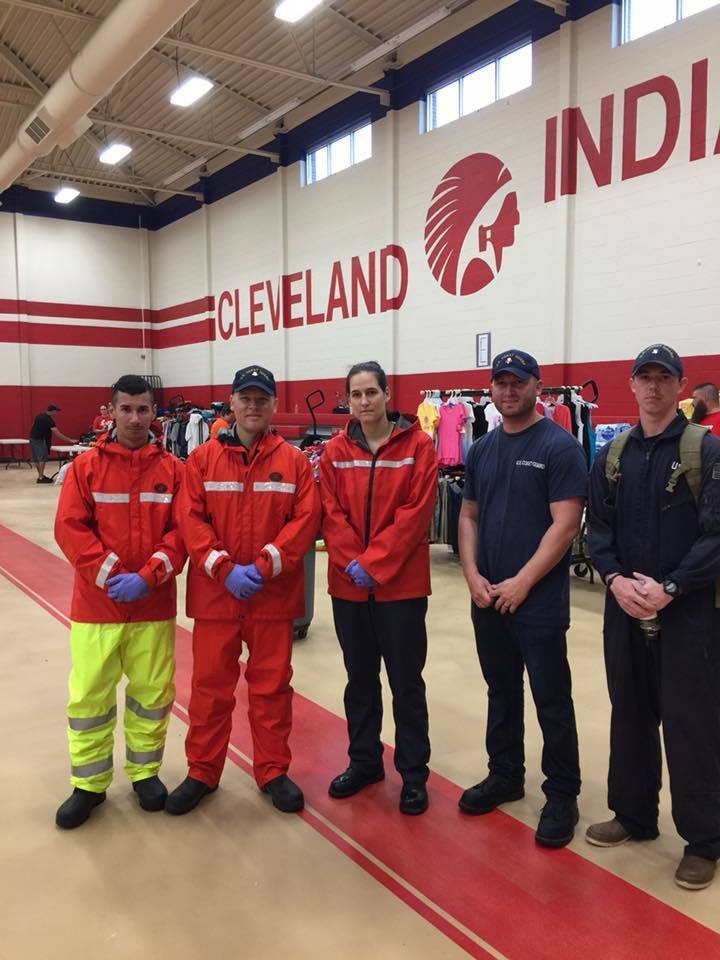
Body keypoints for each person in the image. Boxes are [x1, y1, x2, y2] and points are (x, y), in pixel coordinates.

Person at [586, 344, 720, 891]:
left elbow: (717, 534)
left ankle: (705, 840)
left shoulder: (703, 450)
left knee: (692, 724)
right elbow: (598, 530)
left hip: (688, 612)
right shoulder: (612, 454)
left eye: (665, 378)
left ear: (681, 386)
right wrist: (616, 580)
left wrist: (670, 587)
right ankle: (634, 815)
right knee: (630, 711)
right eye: (646, 378)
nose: (654, 387)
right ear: (633, 385)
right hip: (624, 606)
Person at [167, 364, 320, 816]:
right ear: (231, 403)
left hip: (272, 597)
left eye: (262, 399)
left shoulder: (293, 461)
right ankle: (202, 771)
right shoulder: (201, 459)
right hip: (217, 595)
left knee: (272, 688)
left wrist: (266, 564)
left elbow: (306, 520)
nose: (253, 406)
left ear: (274, 406)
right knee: (211, 688)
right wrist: (222, 567)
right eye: (245, 398)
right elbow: (189, 519)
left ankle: (272, 770)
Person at [458, 350, 587, 848]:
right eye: (501, 383)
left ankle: (562, 795)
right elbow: (467, 515)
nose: (509, 391)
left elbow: (566, 524)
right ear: (491, 389)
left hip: (536, 601)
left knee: (551, 697)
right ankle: (506, 774)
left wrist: (523, 582)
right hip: (487, 596)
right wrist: (472, 574)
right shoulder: (483, 448)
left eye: (518, 383)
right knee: (501, 690)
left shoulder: (558, 446)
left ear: (538, 386)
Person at [53, 375, 186, 829]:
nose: (134, 418)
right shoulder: (86, 467)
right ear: (110, 412)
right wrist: (112, 576)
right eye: (125, 409)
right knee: (90, 696)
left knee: (151, 693)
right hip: (96, 607)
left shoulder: (174, 470)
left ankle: (145, 773)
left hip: (152, 606)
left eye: (143, 409)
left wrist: (149, 577)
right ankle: (89, 784)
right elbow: (70, 528)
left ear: (154, 414)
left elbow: (182, 533)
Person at [319, 361, 437, 815]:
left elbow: (417, 511)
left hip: (401, 590)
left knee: (407, 684)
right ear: (347, 400)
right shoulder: (333, 452)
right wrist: (355, 564)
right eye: (356, 394)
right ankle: (364, 761)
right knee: (360, 681)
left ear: (387, 395)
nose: (364, 401)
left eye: (372, 392)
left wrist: (376, 563)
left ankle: (413, 774)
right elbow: (329, 512)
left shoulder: (419, 446)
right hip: (349, 589)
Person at [29, 404, 77, 483]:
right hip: (40, 440)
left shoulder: (39, 415)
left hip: (32, 438)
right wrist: (70, 440)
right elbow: (57, 433)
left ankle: (40, 475)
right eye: (56, 411)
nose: (56, 413)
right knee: (42, 458)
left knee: (36, 458)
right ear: (53, 411)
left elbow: (33, 425)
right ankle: (41, 478)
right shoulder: (49, 420)